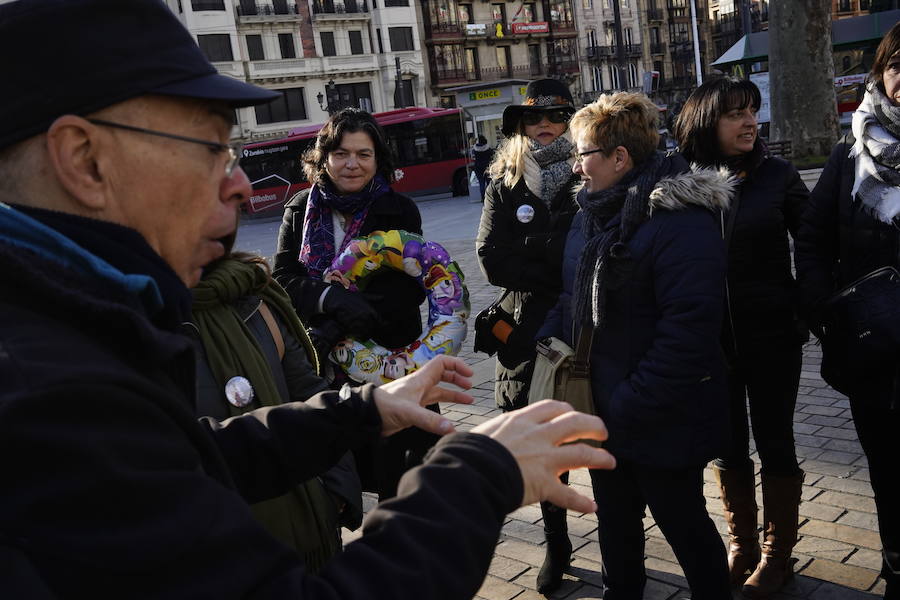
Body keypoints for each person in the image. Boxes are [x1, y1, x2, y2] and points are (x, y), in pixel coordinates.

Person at [0, 2, 619, 598]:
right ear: (85, 160)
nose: (241, 184)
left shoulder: (70, 328)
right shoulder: (44, 388)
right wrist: (482, 474)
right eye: (210, 149)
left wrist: (363, 408)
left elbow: (190, 460)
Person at [539, 91, 735, 599]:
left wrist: (630, 401)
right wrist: (548, 340)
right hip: (610, 409)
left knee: (686, 529)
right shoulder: (595, 212)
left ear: (619, 158)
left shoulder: (679, 218)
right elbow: (573, 289)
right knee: (615, 526)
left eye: (582, 154)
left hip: (661, 413)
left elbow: (688, 329)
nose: (576, 167)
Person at [673, 76, 809, 598]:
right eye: (735, 113)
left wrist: (802, 310)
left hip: (772, 337)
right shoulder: (682, 180)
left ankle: (777, 556)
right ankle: (743, 545)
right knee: (726, 444)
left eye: (752, 110)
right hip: (708, 341)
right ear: (706, 121)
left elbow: (815, 243)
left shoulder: (776, 176)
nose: (750, 121)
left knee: (776, 441)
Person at [273, 108, 433, 501]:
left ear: (378, 159)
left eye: (364, 154)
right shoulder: (299, 210)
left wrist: (342, 318)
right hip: (321, 368)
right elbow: (282, 280)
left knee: (397, 481)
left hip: (388, 363)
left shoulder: (399, 210)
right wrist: (330, 297)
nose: (352, 164)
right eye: (341, 153)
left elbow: (409, 288)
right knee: (333, 478)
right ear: (323, 157)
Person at [795, 22, 900, 600]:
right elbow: (811, 240)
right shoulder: (848, 155)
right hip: (872, 348)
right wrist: (824, 311)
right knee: (887, 469)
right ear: (881, 76)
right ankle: (896, 565)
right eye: (897, 65)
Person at [191, 244, 363, 571]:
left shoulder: (256, 296)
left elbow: (310, 393)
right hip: (217, 564)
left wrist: (335, 495)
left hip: (310, 541)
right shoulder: (135, 321)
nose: (240, 190)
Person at [474, 78, 581, 594]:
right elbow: (491, 258)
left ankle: (621, 539)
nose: (545, 125)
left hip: (584, 324)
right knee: (540, 442)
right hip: (524, 328)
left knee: (593, 433)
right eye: (535, 118)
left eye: (557, 117)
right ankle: (556, 544)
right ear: (519, 125)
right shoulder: (503, 181)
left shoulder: (591, 174)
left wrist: (536, 258)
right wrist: (553, 263)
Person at [472, 134, 494, 200]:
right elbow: (493, 156)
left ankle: (482, 198)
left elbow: (473, 157)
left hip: (478, 167)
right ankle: (489, 198)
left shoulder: (475, 148)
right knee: (488, 183)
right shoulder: (488, 148)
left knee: (481, 183)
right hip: (487, 167)